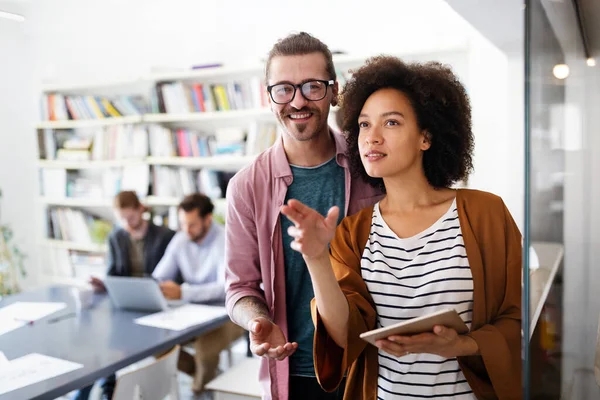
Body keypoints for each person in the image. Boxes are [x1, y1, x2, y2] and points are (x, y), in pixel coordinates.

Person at [281, 56, 522, 399]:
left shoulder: (485, 213)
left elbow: (516, 319)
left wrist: (461, 344)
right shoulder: (354, 232)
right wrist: (317, 258)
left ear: (426, 136)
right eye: (364, 125)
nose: (371, 137)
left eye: (390, 123)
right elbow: (342, 333)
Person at [224, 32, 382, 400]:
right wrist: (258, 321)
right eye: (284, 89)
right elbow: (239, 287)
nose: (297, 101)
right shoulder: (247, 187)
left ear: (334, 90)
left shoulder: (370, 165)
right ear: (269, 97)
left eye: (312, 86)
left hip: (372, 365)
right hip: (295, 373)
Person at [76, 191, 175, 400]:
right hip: (125, 303)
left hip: (157, 303)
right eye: (121, 219)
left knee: (116, 339)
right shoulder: (116, 236)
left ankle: (107, 387)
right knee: (103, 337)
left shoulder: (164, 236)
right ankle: (105, 388)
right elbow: (113, 274)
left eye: (130, 218)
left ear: (141, 210)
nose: (127, 224)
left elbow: (171, 275)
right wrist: (103, 284)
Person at [153, 192, 244, 395]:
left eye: (192, 224)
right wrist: (155, 288)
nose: (186, 229)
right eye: (183, 224)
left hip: (227, 314)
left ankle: (200, 389)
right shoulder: (181, 239)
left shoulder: (227, 239)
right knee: (156, 345)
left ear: (207, 219)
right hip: (191, 312)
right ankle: (203, 377)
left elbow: (225, 287)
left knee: (205, 351)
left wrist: (183, 292)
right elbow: (158, 276)